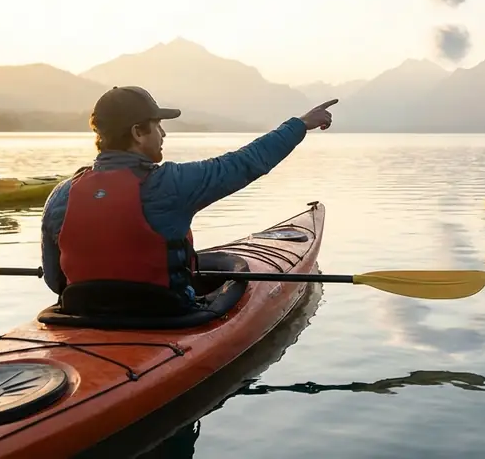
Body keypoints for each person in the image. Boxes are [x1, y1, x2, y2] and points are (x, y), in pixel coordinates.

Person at [39, 85, 337, 314]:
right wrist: (300, 124)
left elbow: (55, 281)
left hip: (80, 315)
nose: (163, 134)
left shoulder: (62, 194)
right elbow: (246, 162)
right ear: (138, 132)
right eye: (157, 125)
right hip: (165, 315)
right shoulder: (172, 184)